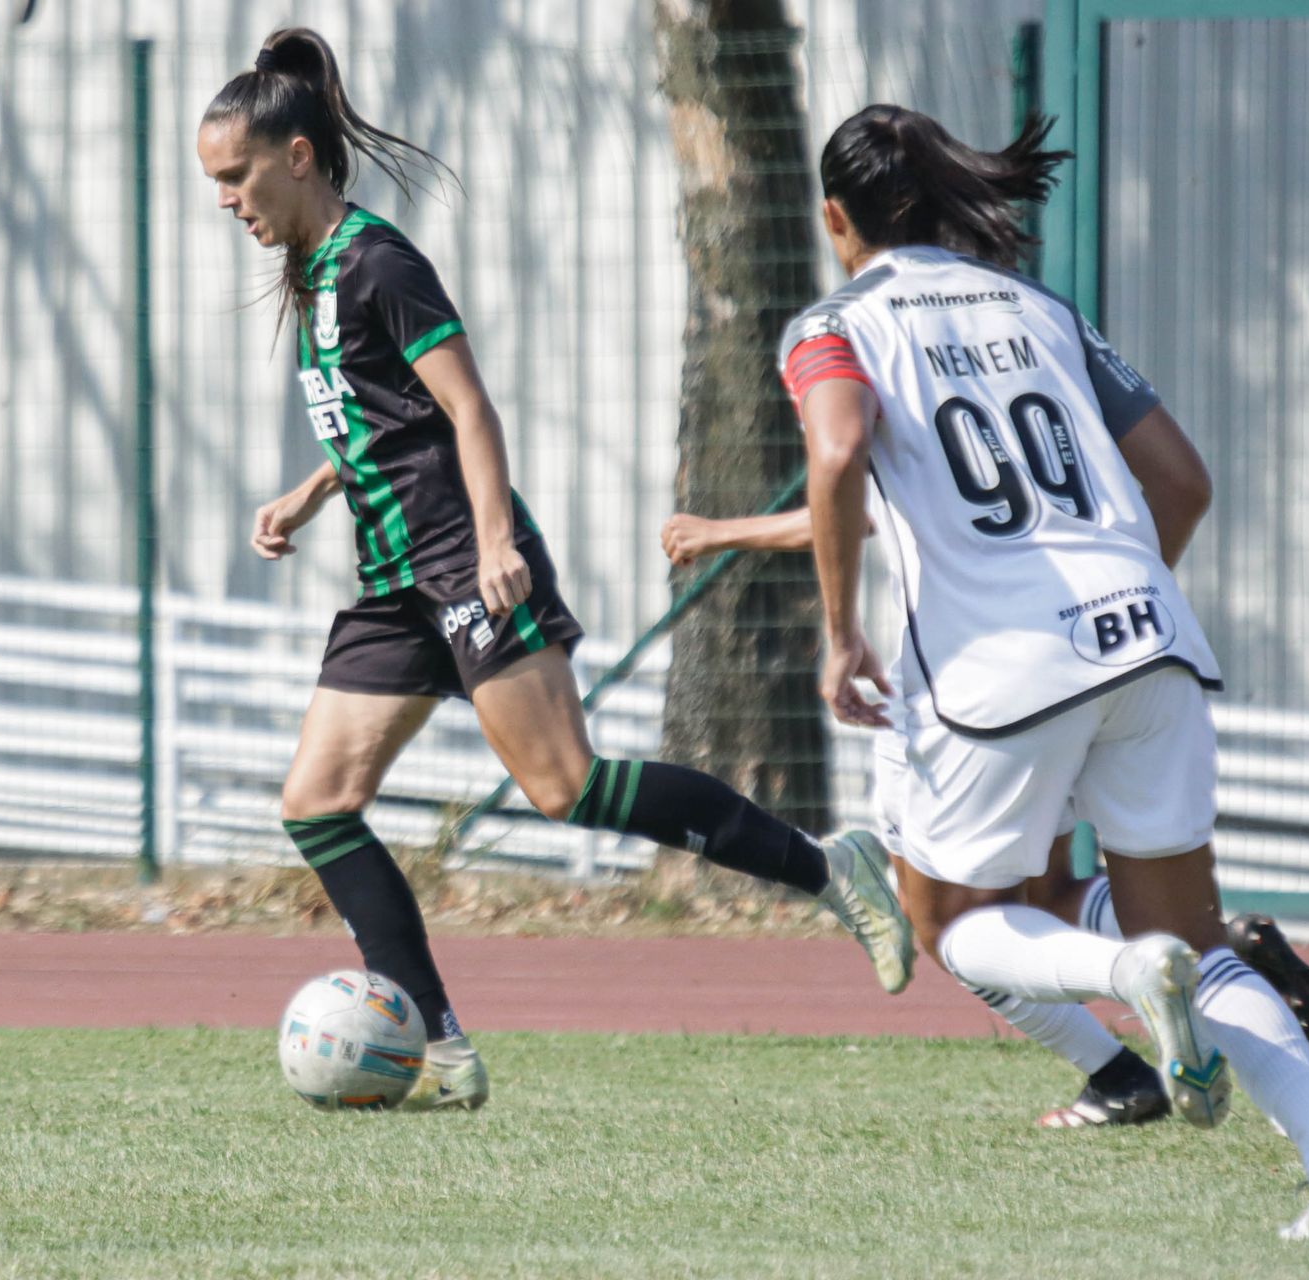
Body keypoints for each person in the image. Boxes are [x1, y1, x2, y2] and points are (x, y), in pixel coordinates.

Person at [195, 28, 911, 1112]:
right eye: (215, 183)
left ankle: (826, 869)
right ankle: (437, 1042)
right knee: (318, 802)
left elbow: (469, 407)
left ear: (297, 157)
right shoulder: (311, 272)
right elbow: (386, 418)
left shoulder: (379, 260)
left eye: (235, 176)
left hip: (462, 562)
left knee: (564, 786)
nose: (226, 201)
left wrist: (491, 544)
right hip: (394, 582)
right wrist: (315, 487)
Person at [782, 102, 1309, 1236]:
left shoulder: (834, 323)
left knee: (954, 924)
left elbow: (835, 446)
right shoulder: (1043, 309)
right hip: (1147, 635)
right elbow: (1183, 480)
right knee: (1205, 946)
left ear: (836, 217)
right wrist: (1112, 611)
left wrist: (839, 630)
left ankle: (1127, 973)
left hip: (994, 670)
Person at [659, 509, 1309, 1128]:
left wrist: (723, 535)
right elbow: (1182, 481)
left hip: (965, 695)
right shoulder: (1051, 372)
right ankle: (1216, 952)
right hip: (1097, 654)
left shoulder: (902, 375)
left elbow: (850, 491)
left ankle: (1120, 1059)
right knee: (1053, 893)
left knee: (951, 921)